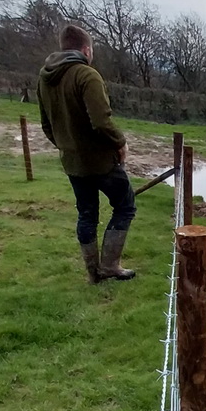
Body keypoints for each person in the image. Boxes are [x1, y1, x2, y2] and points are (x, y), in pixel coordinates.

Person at [37, 24, 137, 283]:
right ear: (86, 49)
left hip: (72, 163)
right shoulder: (86, 75)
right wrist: (120, 143)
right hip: (100, 161)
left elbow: (47, 124)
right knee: (125, 205)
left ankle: (93, 273)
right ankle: (110, 266)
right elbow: (101, 122)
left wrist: (65, 146)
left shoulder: (45, 77)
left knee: (87, 213)